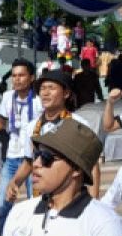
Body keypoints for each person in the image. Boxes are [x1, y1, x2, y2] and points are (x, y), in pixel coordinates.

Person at [6, 70, 101, 201]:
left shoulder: (79, 125)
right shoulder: (32, 127)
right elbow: (29, 161)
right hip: (40, 197)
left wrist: (93, 200)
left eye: (51, 88)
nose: (45, 93)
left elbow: (93, 166)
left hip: (70, 197)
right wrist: (15, 182)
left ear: (66, 93)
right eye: (42, 88)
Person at [0, 59, 42, 232]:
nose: (16, 79)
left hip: (34, 160)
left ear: (31, 77)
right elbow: (1, 124)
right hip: (12, 159)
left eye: (21, 75)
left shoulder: (39, 100)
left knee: (36, 206)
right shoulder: (8, 97)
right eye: (14, 76)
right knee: (2, 207)